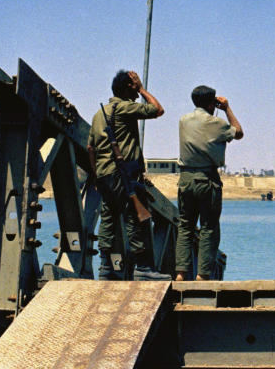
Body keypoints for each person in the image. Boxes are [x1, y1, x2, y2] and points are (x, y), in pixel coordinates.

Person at [88, 69, 164, 280]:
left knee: (108, 219)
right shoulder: (123, 107)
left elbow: (90, 148)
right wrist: (142, 89)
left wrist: (96, 176)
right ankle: (142, 269)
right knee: (134, 219)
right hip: (123, 175)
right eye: (133, 88)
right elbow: (158, 110)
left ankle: (105, 268)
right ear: (128, 88)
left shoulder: (98, 115)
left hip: (104, 175)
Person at [174, 85, 243, 281]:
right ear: (212, 103)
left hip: (185, 178)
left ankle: (180, 273)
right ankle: (202, 275)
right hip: (207, 179)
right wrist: (227, 108)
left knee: (185, 226)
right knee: (208, 227)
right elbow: (238, 132)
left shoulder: (183, 120)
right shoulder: (217, 123)